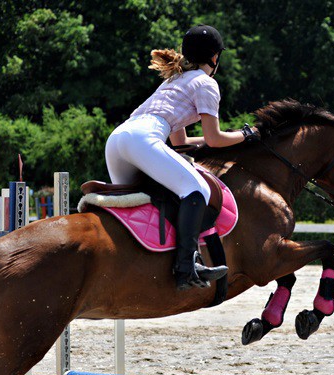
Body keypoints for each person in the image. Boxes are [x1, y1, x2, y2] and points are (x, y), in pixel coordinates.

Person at [104, 25, 259, 291]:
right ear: (214, 57)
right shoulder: (206, 83)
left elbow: (182, 144)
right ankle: (186, 267)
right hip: (143, 139)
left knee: (142, 205)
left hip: (118, 140)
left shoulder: (173, 81)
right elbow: (214, 139)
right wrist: (246, 136)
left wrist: (231, 135)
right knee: (196, 191)